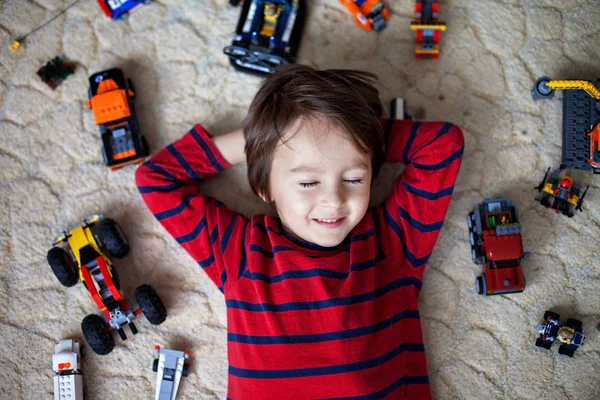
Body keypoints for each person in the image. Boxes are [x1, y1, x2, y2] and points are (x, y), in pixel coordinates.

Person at [136, 64, 464, 399]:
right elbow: (155, 179)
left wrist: (356, 128)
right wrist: (260, 138)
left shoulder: (393, 242)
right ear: (265, 187)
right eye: (308, 182)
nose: (334, 199)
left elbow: (442, 146)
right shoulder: (241, 252)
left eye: (354, 179)